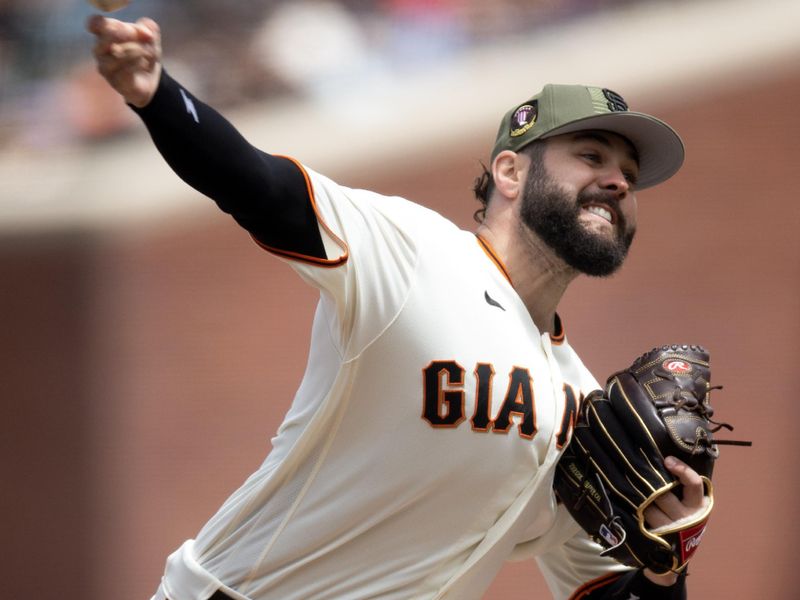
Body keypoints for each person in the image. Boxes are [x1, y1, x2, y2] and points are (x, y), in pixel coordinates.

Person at [88, 14, 707, 600]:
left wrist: (667, 563)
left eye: (629, 173)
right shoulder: (412, 252)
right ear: (511, 172)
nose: (619, 182)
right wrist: (157, 95)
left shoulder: (586, 408)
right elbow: (259, 187)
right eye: (593, 156)